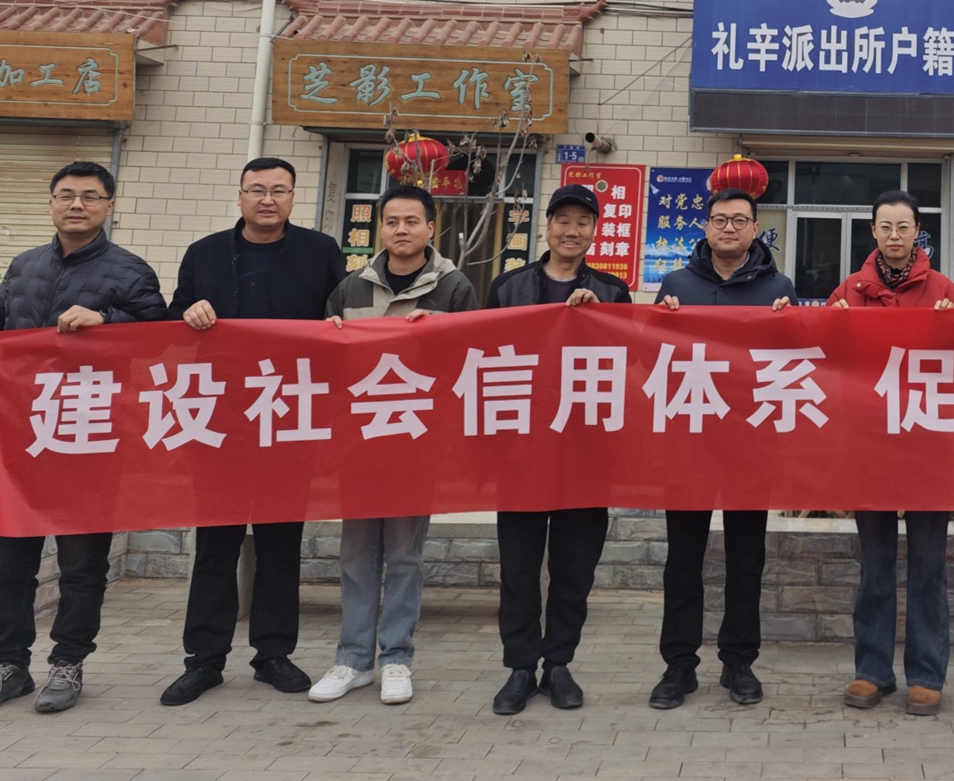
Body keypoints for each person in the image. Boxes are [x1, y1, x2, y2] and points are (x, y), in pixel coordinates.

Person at [0, 162, 167, 716]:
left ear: (109, 207)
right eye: (67, 195)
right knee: (7, 562)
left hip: (89, 437)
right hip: (22, 437)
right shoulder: (25, 264)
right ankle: (8, 667)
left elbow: (159, 336)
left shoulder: (130, 270)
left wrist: (107, 319)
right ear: (51, 202)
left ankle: (68, 663)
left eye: (90, 197)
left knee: (82, 566)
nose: (77, 205)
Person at [159, 157, 347, 707]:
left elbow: (344, 319)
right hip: (218, 420)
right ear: (239, 196)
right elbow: (169, 322)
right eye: (257, 189)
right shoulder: (204, 253)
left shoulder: (321, 252)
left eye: (279, 190)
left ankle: (273, 655)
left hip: (289, 415)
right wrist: (188, 312)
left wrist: (338, 327)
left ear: (293, 198)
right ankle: (204, 660)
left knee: (280, 544)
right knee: (215, 544)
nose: (268, 199)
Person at [312, 183, 478, 706]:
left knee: (405, 556)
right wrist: (327, 334)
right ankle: (353, 659)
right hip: (359, 446)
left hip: (416, 446)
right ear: (379, 228)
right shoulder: (351, 287)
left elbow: (472, 362)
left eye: (411, 221)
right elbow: (329, 369)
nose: (401, 230)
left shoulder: (454, 288)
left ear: (431, 227)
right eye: (391, 221)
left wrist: (441, 333)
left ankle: (397, 659)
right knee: (356, 556)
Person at [484, 183, 631, 716]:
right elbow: (484, 361)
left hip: (585, 456)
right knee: (519, 569)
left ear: (595, 232)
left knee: (574, 569)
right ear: (546, 227)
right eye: (563, 220)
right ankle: (520, 668)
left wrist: (599, 319)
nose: (572, 231)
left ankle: (560, 664)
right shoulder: (508, 287)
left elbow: (628, 366)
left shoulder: (612, 291)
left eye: (583, 222)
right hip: (521, 456)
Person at [648, 187, 796, 710]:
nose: (729, 227)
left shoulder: (778, 287)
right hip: (688, 443)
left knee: (745, 560)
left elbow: (796, 363)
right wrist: (659, 321)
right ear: (706, 226)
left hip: (750, 445)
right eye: (719, 219)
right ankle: (678, 664)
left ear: (755, 228)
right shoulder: (677, 284)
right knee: (682, 561)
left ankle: (739, 662)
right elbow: (648, 360)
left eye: (739, 220)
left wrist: (790, 323)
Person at [828, 189, 954, 717]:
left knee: (929, 566)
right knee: (876, 565)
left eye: (903, 227)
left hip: (929, 448)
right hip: (870, 447)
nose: (893, 235)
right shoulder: (850, 290)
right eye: (885, 226)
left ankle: (927, 674)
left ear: (917, 232)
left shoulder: (944, 290)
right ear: (873, 231)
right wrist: (831, 324)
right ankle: (873, 671)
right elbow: (825, 361)